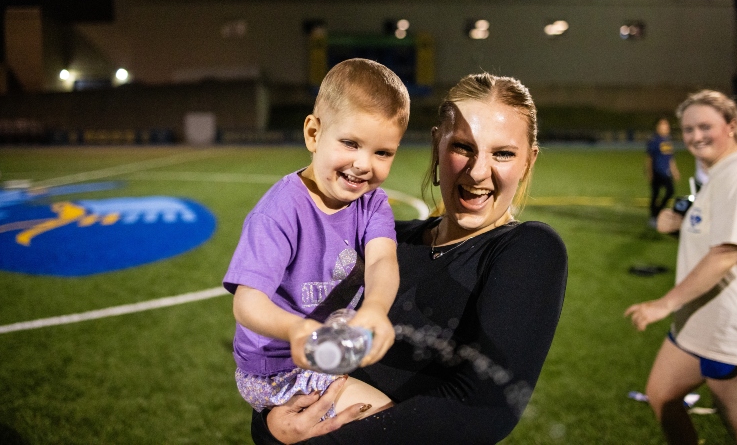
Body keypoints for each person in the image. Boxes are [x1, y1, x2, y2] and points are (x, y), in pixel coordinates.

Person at [250, 73, 568, 444]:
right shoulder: (382, 241)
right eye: (463, 147)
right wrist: (272, 427)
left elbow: (485, 408)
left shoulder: (528, 249)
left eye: (503, 153)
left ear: (529, 160)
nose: (479, 171)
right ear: (437, 145)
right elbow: (282, 367)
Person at [222, 58, 410, 421]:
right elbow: (246, 304)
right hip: (276, 369)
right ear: (313, 134)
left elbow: (382, 260)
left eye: (382, 152)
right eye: (351, 143)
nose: (364, 164)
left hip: (333, 349)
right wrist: (297, 329)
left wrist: (375, 308)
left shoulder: (372, 202)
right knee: (384, 422)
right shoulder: (280, 210)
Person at [625, 90, 737, 444]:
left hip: (727, 327)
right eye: (688, 129)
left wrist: (664, 303)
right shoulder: (717, 174)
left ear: (732, 125)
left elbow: (725, 253)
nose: (695, 136)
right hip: (696, 323)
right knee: (662, 396)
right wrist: (681, 224)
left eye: (705, 126)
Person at [646, 117, 680, 229]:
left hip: (666, 173)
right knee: (655, 195)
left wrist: (674, 171)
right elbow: (649, 158)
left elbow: (670, 158)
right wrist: (650, 172)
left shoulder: (668, 141)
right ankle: (653, 217)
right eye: (662, 125)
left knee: (670, 191)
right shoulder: (654, 141)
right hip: (656, 172)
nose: (665, 127)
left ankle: (659, 211)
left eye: (666, 125)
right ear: (658, 127)